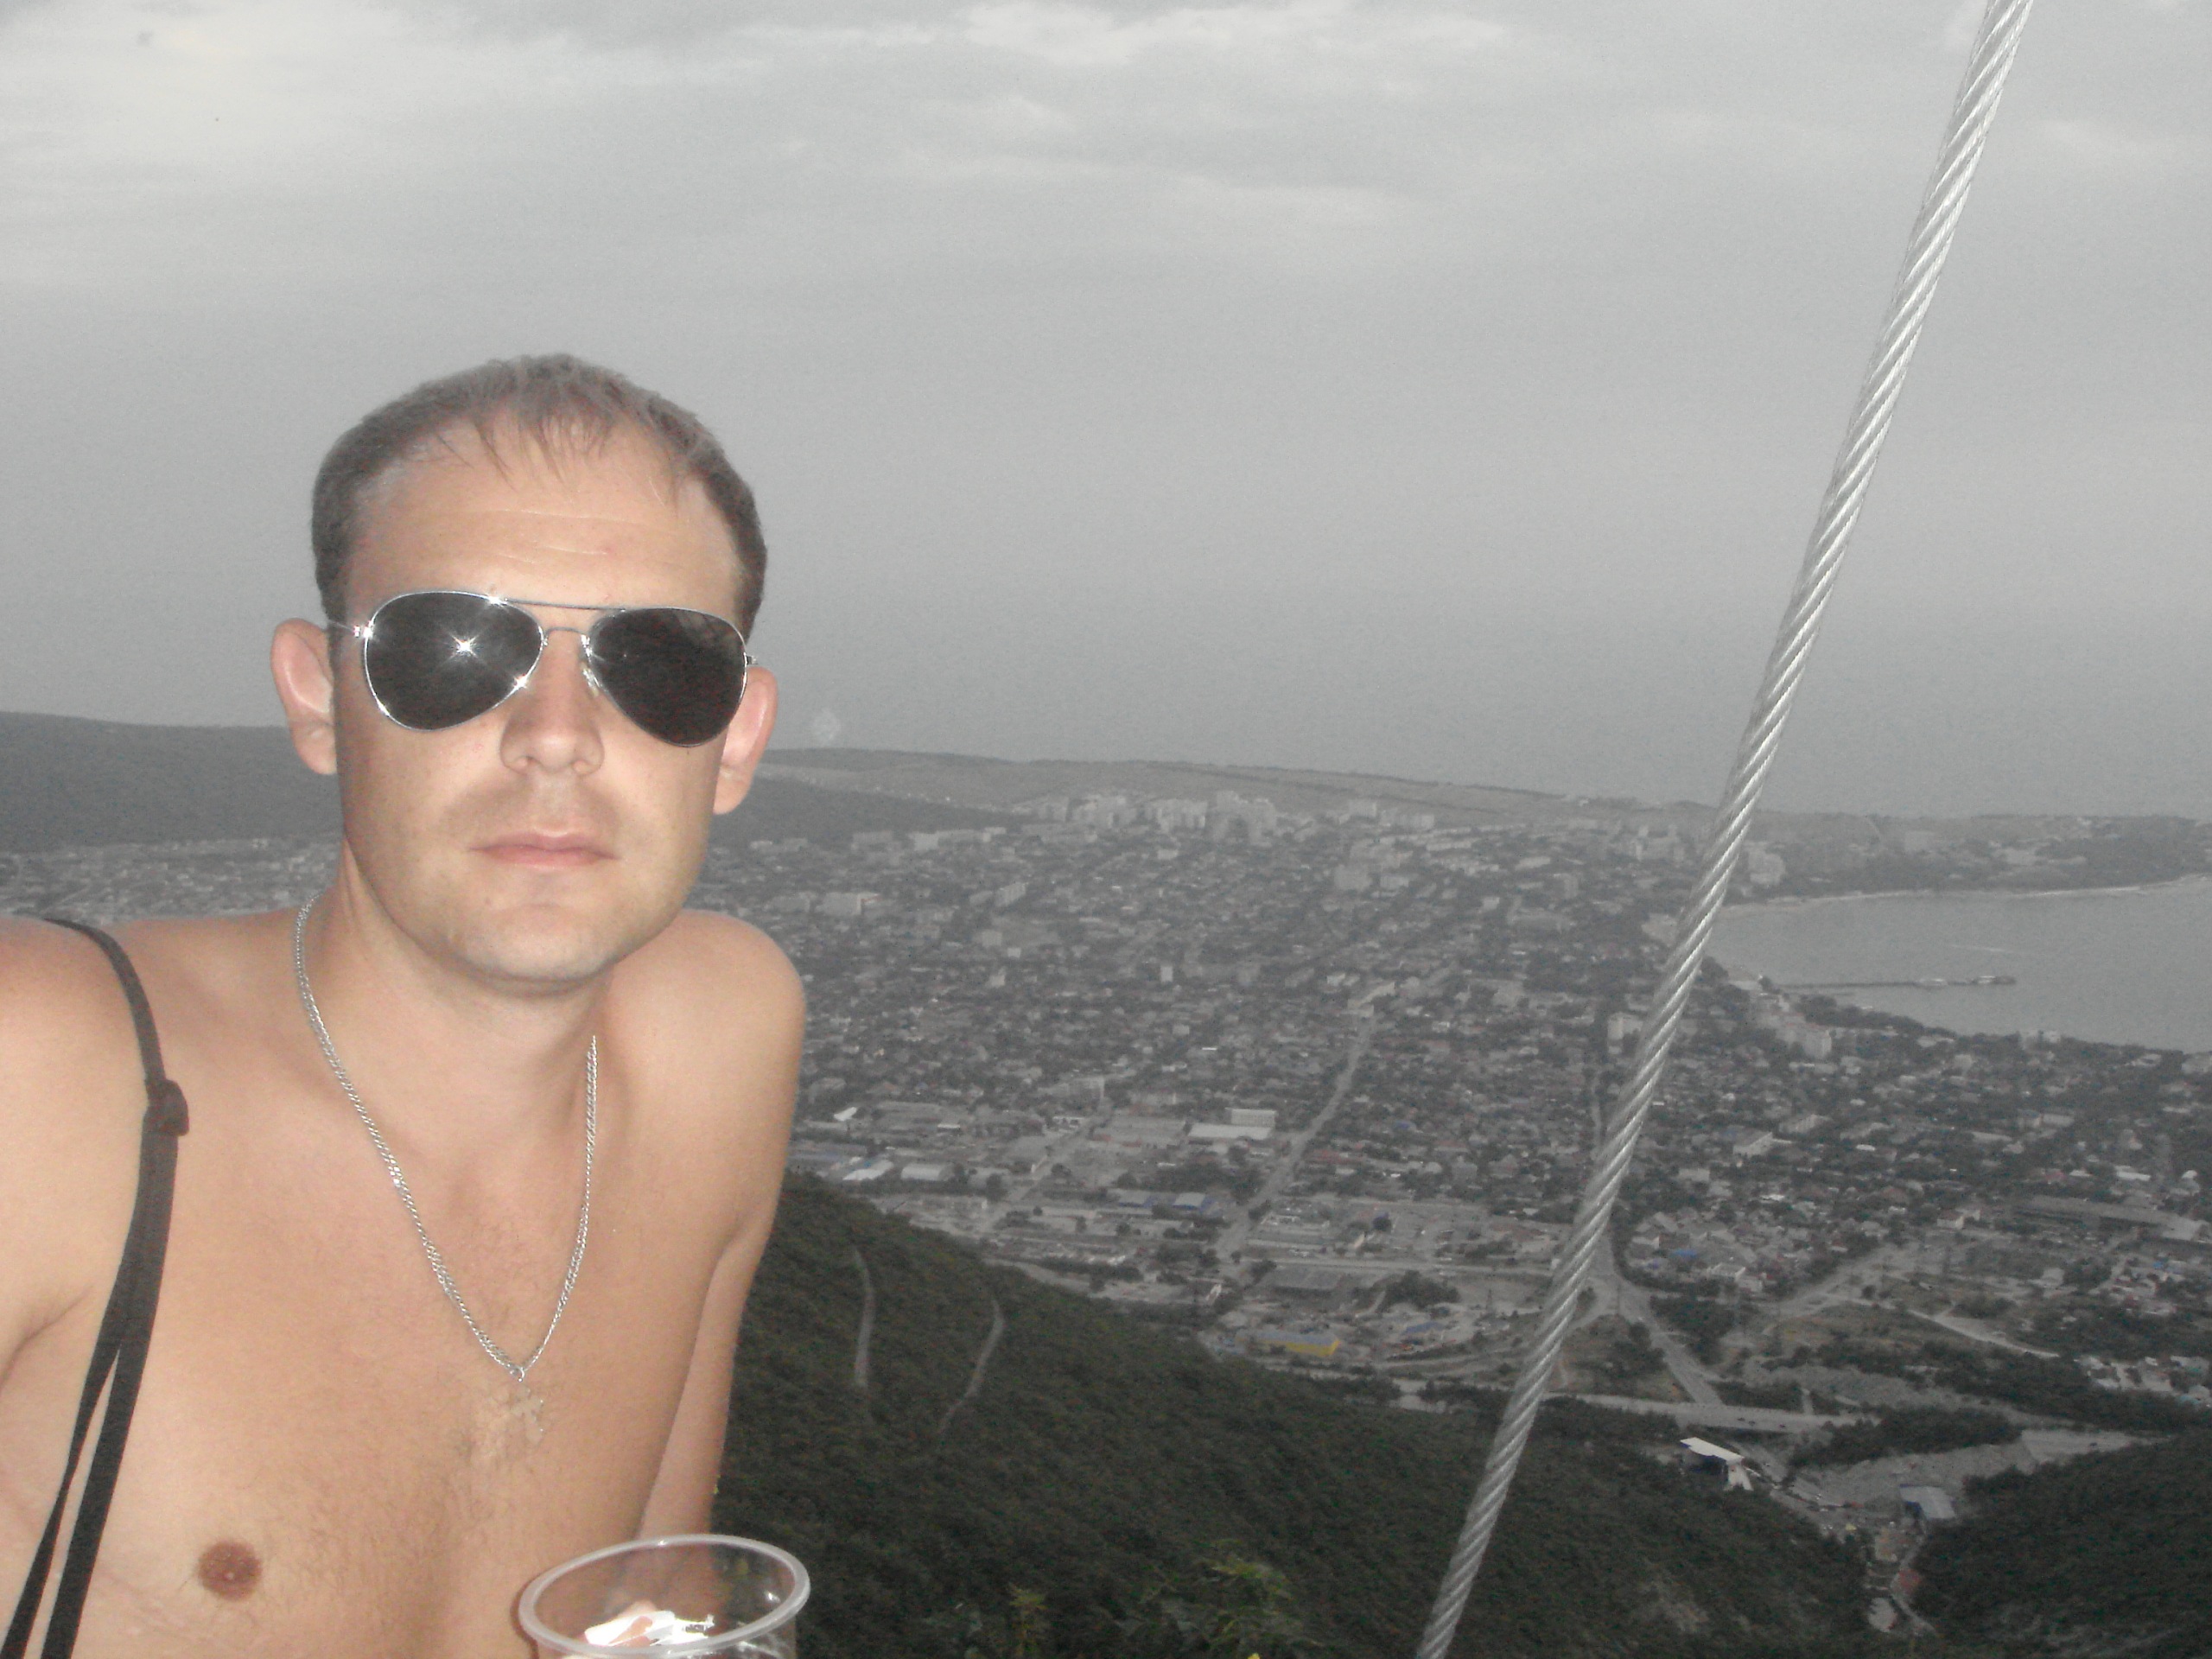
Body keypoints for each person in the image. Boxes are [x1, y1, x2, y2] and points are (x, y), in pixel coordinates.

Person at [0, 356, 803, 1657]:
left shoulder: (719, 1039)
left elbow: (659, 1589)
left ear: (739, 737)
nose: (557, 733)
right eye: (454, 651)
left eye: (658, 663)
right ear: (321, 698)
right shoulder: (54, 1077)